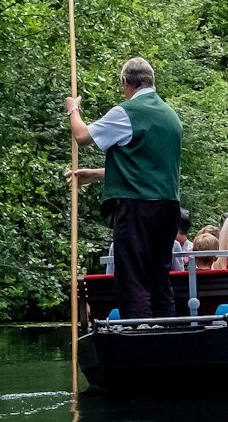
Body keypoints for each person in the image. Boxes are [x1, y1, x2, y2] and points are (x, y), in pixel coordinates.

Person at [65, 57, 183, 319]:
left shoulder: (127, 112)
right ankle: (166, 331)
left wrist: (73, 110)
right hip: (168, 207)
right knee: (158, 274)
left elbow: (82, 137)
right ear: (151, 81)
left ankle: (139, 332)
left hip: (137, 206)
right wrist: (95, 174)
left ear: (125, 83)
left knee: (132, 273)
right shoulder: (171, 117)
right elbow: (147, 168)